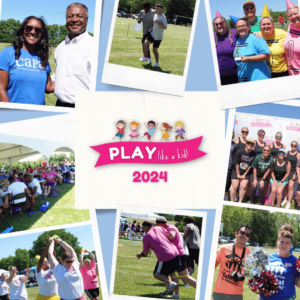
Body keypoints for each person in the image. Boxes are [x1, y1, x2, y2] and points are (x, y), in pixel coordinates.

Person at [0, 16, 54, 105]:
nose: (32, 32)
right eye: (29, 28)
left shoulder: (42, 57)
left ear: (41, 34)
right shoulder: (7, 53)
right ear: (23, 30)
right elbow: (1, 88)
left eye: (38, 30)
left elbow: (49, 87)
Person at [54, 3, 94, 108]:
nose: (74, 19)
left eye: (79, 16)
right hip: (59, 105)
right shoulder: (60, 47)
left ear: (87, 20)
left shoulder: (94, 46)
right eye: (70, 16)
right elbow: (60, 75)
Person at [136, 220, 180, 296]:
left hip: (165, 255)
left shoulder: (146, 237)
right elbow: (168, 236)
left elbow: (145, 253)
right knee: (171, 274)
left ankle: (171, 283)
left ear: (146, 226)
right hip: (175, 252)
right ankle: (175, 295)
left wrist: (139, 255)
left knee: (157, 274)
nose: (143, 229)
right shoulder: (159, 228)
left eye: (143, 227)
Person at [155, 216, 197, 293]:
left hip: (179, 254)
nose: (156, 226)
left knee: (185, 277)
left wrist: (163, 235)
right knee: (171, 274)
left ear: (160, 224)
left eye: (156, 224)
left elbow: (172, 235)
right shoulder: (166, 228)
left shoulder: (170, 228)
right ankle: (173, 293)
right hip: (173, 255)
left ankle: (202, 291)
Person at [260, 225, 300, 299]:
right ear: (277, 242)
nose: (284, 245)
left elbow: (298, 285)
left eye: (287, 242)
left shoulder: (296, 261)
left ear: (291, 244)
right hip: (265, 298)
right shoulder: (268, 257)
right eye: (281, 242)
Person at [213, 224, 251, 300]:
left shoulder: (250, 255)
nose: (244, 236)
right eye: (242, 233)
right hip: (219, 293)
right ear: (236, 234)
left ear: (249, 238)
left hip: (237, 295)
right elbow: (212, 267)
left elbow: (251, 276)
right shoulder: (223, 248)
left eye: (247, 234)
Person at [234, 17, 271, 83]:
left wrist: (249, 58)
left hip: (258, 78)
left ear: (248, 27)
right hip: (244, 79)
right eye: (238, 26)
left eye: (243, 26)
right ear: (236, 29)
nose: (241, 28)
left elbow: (267, 55)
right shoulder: (238, 41)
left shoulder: (256, 38)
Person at [259, 6, 289, 78]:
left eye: (268, 24)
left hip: (282, 72)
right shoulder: (257, 36)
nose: (266, 26)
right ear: (260, 26)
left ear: (273, 24)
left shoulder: (282, 34)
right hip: (265, 73)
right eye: (263, 24)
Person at [213, 12, 239, 85]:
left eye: (221, 23)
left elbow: (246, 33)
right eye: (216, 24)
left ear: (225, 23)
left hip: (234, 74)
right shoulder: (212, 37)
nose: (219, 25)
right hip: (218, 76)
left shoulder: (235, 33)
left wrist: (256, 33)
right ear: (214, 26)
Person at [281, 141, 300, 209]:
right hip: (286, 171)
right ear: (290, 145)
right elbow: (284, 161)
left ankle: (289, 202)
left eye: (295, 145)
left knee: (290, 187)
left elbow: (298, 166)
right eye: (292, 145)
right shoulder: (287, 152)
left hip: (293, 172)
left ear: (297, 146)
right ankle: (285, 199)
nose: (293, 146)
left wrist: (295, 174)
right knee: (285, 186)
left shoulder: (298, 154)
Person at [284, 0, 300, 75]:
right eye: (290, 15)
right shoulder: (290, 26)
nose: (293, 17)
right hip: (292, 73)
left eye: (295, 13)